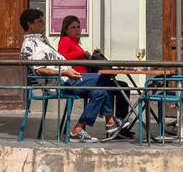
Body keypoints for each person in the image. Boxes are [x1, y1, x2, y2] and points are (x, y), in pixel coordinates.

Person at [19, 8, 120, 142]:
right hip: (61, 81)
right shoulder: (30, 44)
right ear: (29, 24)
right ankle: (110, 121)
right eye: (39, 21)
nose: (43, 24)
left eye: (43, 21)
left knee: (100, 92)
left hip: (67, 77)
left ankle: (77, 130)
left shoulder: (41, 41)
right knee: (104, 76)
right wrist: (65, 72)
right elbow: (39, 70)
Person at [56, 15, 135, 138]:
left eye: (78, 27)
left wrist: (91, 55)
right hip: (76, 80)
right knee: (104, 82)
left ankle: (119, 122)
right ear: (65, 30)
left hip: (87, 79)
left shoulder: (76, 43)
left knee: (123, 86)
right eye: (73, 27)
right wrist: (83, 53)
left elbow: (81, 61)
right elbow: (62, 58)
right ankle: (111, 123)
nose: (77, 30)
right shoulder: (65, 40)